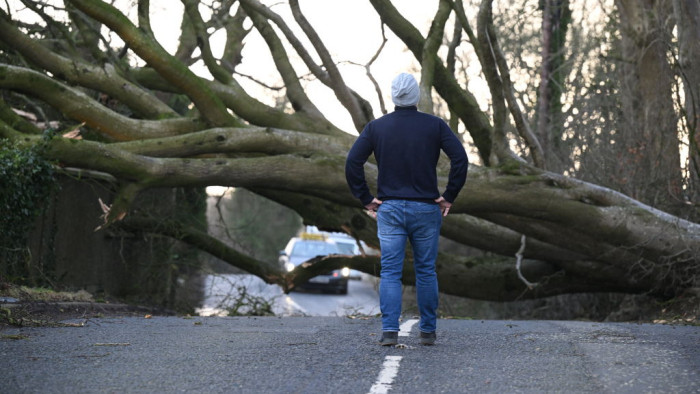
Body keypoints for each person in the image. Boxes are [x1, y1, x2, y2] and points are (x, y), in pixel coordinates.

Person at [345, 73, 468, 346]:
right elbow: (460, 159)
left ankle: (390, 331)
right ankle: (427, 331)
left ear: (393, 96)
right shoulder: (434, 126)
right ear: (417, 97)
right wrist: (449, 196)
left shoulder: (376, 128)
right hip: (426, 208)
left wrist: (365, 198)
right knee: (425, 270)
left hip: (389, 209)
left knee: (390, 271)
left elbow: (353, 162)